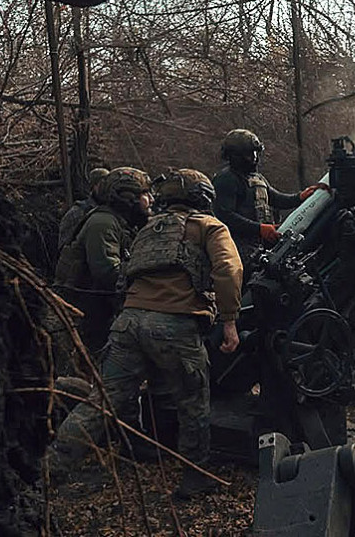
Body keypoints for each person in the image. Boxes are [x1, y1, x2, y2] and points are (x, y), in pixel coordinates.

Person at [43, 168, 242, 497]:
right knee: (193, 402)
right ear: (203, 197)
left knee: (101, 402)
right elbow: (228, 269)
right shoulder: (209, 226)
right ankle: (194, 476)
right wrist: (230, 320)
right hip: (175, 323)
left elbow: (125, 274)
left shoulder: (148, 229)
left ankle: (50, 468)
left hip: (129, 323)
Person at [53, 167, 151, 362]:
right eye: (145, 194)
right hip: (84, 314)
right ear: (127, 196)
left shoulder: (119, 222)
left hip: (97, 311)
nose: (151, 200)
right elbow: (107, 273)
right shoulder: (103, 222)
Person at [211, 129, 325, 264]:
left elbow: (276, 199)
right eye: (249, 154)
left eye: (255, 153)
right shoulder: (226, 179)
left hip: (261, 245)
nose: (254, 158)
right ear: (235, 155)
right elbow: (225, 216)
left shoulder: (258, 178)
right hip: (236, 247)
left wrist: (301, 197)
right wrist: (259, 228)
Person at [57, 167, 111, 247]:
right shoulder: (78, 212)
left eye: (108, 185)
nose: (106, 189)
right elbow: (65, 247)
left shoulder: (112, 210)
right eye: (102, 184)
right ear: (93, 186)